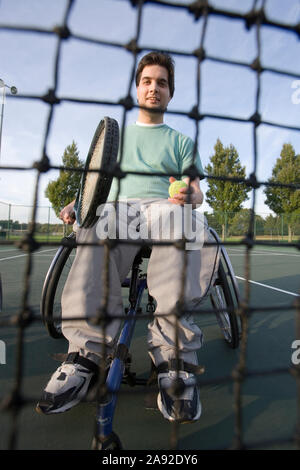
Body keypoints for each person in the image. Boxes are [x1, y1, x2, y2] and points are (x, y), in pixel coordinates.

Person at [36, 52, 219, 423]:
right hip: (119, 209)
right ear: (138, 88)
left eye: (162, 83)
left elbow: (198, 193)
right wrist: (77, 203)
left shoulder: (182, 141)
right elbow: (95, 183)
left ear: (170, 93)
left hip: (165, 208)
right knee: (94, 222)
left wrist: (190, 196)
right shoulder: (116, 135)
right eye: (148, 81)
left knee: (184, 222)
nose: (154, 88)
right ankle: (85, 354)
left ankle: (172, 356)